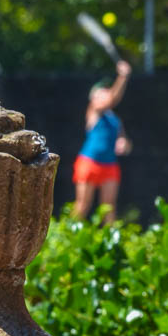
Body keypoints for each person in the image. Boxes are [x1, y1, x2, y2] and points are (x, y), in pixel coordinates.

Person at [73, 60, 132, 222]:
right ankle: (68, 237)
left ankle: (110, 242)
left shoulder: (115, 120)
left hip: (110, 165)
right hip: (89, 162)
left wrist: (124, 145)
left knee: (109, 208)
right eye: (102, 92)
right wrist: (122, 77)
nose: (106, 93)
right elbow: (111, 100)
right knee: (82, 206)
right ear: (93, 98)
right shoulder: (93, 111)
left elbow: (124, 141)